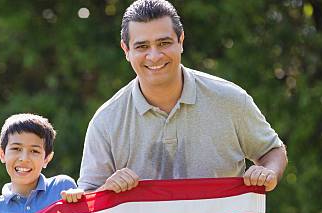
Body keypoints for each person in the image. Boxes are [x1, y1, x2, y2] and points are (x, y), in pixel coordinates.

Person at [63, 0, 287, 202]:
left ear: (180, 41)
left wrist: (269, 173)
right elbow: (89, 200)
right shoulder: (106, 121)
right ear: (126, 50)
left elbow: (272, 151)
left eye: (164, 43)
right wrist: (107, 189)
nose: (154, 56)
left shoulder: (230, 100)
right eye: (142, 46)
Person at [0, 113, 77, 213]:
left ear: (47, 159)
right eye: (16, 148)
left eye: (34, 151)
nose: (24, 158)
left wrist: (80, 201)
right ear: (2, 154)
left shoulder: (62, 187)